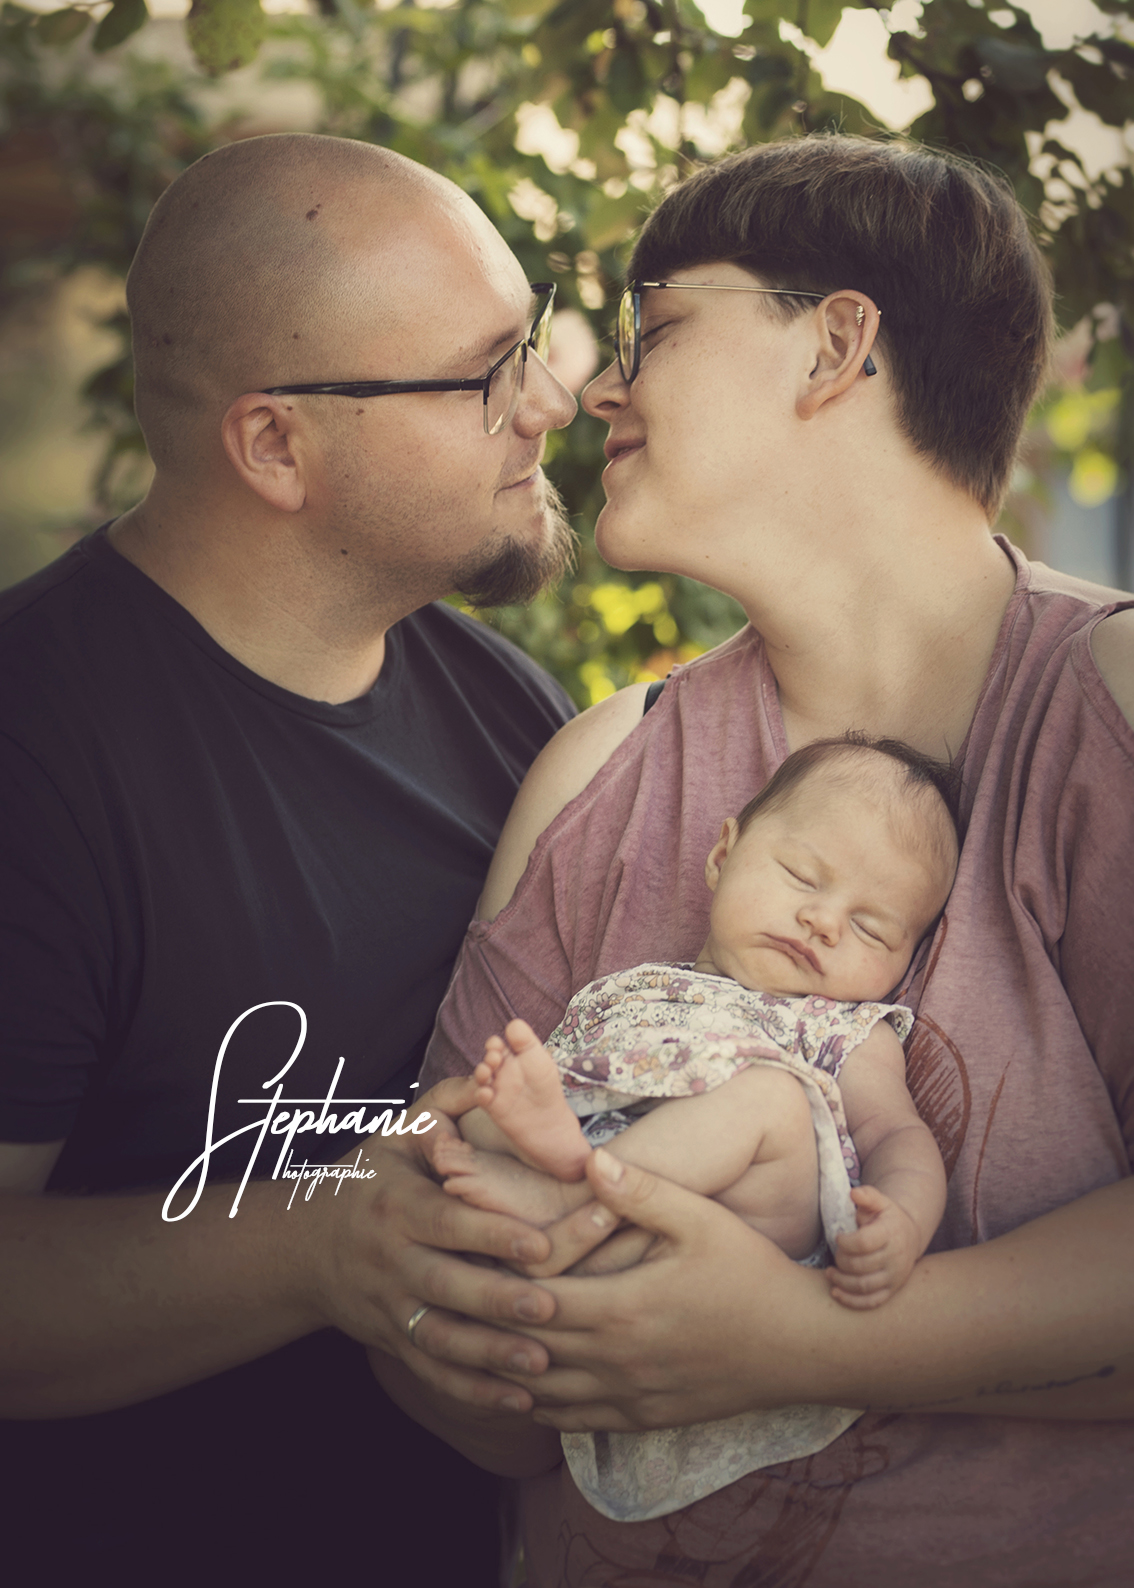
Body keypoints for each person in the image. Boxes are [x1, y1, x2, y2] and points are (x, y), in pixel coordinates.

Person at [415, 136, 1134, 1584]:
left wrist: (799, 1342)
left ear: (836, 345)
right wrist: (494, 1303)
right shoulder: (598, 773)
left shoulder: (1105, 705)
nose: (600, 391)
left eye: (656, 327)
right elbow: (450, 1364)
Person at [0, 131, 583, 1583]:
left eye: (533, 342)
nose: (551, 403)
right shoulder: (33, 746)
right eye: (486, 374)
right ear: (274, 446)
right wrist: (319, 1245)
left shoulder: (514, 716)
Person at [438, 735, 953, 1521]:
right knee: (483, 1101)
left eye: (872, 928)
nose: (822, 920)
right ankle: (558, 1168)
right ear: (722, 856)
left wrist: (906, 1221)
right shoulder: (629, 989)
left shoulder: (843, 1025)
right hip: (596, 1225)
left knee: (770, 1097)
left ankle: (570, 1188)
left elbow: (898, 1135)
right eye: (801, 876)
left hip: (745, 1231)